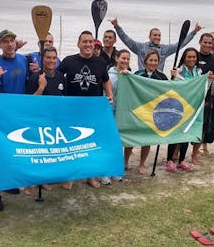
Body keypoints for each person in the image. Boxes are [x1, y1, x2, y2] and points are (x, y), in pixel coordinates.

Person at [58, 30, 113, 188]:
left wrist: (110, 94)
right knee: (71, 143)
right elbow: (56, 78)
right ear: (78, 44)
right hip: (71, 110)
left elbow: (106, 80)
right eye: (85, 41)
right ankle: (70, 176)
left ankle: (90, 176)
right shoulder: (69, 61)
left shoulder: (100, 62)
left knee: (90, 144)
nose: (88, 44)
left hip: (92, 111)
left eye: (90, 41)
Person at [0, 29, 26, 211]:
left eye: (12, 41)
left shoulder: (23, 60)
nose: (9, 44)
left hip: (19, 114)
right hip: (1, 115)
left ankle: (9, 183)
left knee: (15, 150)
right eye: (5, 41)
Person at [24, 46, 66, 194]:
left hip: (54, 121)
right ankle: (29, 183)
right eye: (48, 57)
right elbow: (28, 104)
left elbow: (63, 101)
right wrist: (41, 88)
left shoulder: (61, 77)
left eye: (54, 58)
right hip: (37, 121)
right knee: (35, 153)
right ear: (42, 59)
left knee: (48, 153)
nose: (51, 61)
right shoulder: (36, 78)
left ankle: (44, 180)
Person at [110, 18, 202, 70]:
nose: (157, 37)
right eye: (155, 35)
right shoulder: (140, 47)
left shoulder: (165, 49)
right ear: (149, 36)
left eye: (159, 35)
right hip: (142, 79)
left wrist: (194, 32)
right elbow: (127, 40)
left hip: (157, 81)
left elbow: (181, 44)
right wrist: (117, 27)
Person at [130, 50, 168, 175]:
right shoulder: (137, 74)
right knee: (132, 137)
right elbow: (129, 87)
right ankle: (125, 162)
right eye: (150, 60)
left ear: (158, 62)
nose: (153, 63)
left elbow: (168, 92)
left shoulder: (162, 77)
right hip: (137, 111)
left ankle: (142, 163)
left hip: (152, 113)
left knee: (147, 139)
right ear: (145, 61)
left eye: (155, 60)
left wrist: (174, 77)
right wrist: (125, 74)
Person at [191, 33, 214, 165]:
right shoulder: (192, 56)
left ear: (213, 45)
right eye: (205, 42)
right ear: (200, 42)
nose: (207, 45)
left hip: (208, 99)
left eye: (210, 43)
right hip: (191, 98)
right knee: (185, 125)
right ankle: (176, 152)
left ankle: (195, 154)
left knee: (203, 127)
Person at [167, 47, 202, 172]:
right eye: (189, 57)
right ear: (184, 58)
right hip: (178, 106)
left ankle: (182, 160)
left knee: (187, 133)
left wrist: (208, 79)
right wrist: (174, 77)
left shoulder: (199, 71)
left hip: (192, 107)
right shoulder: (179, 70)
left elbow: (200, 86)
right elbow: (176, 85)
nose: (192, 59)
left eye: (194, 57)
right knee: (175, 132)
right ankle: (169, 160)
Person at [100, 49, 130, 184]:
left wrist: (127, 77)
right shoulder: (110, 75)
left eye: (127, 59)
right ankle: (103, 173)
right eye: (123, 58)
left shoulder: (128, 75)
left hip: (121, 114)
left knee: (117, 144)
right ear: (117, 58)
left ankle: (114, 170)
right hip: (108, 113)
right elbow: (105, 93)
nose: (125, 61)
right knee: (106, 143)